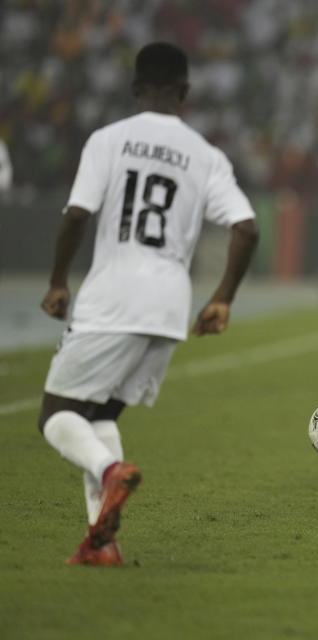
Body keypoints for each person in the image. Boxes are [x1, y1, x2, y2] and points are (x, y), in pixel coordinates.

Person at [38, 42, 259, 565]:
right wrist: (222, 299)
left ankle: (112, 473)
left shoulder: (108, 140)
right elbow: (247, 229)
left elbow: (75, 215)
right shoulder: (206, 155)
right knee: (101, 411)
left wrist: (57, 281)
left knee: (55, 413)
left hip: (114, 293)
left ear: (137, 88)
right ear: (184, 93)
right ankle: (102, 541)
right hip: (168, 305)